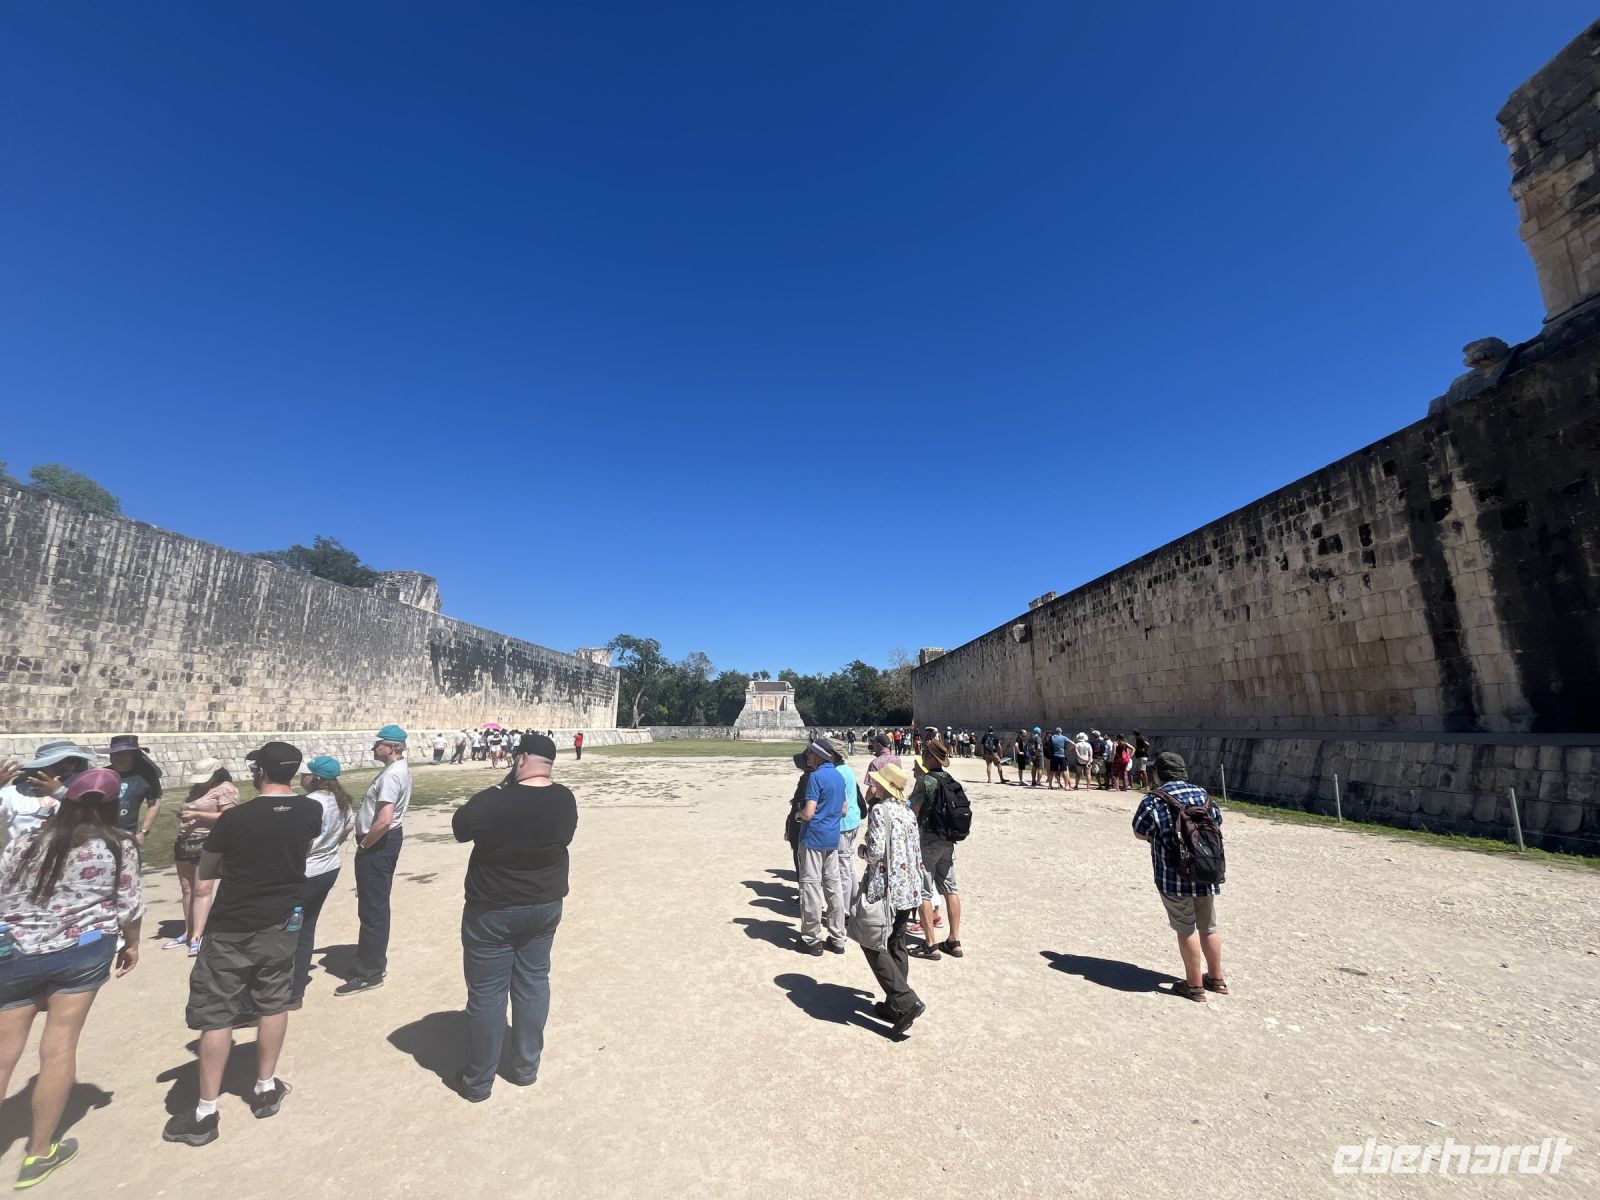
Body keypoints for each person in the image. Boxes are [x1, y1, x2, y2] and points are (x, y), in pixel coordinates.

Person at [162, 741, 321, 1147]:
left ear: (261, 772)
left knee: (218, 1013)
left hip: (233, 924)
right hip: (282, 921)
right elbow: (299, 850)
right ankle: (266, 1087)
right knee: (273, 1001)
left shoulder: (235, 819)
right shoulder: (310, 810)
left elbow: (209, 870)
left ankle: (205, 1112)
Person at [0, 767, 142, 1188]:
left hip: (17, 950)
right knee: (59, 1047)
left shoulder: (26, 840)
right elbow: (129, 904)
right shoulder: (119, 845)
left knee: (4, 1049)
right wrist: (132, 944)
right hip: (81, 950)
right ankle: (39, 1152)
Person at [450, 732, 578, 1101]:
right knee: (534, 982)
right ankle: (525, 1067)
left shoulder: (494, 800)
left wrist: (499, 787)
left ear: (520, 759)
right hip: (544, 904)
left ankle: (478, 1081)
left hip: (492, 907)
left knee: (488, 993)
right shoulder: (564, 799)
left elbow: (460, 828)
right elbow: (565, 838)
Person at [1131, 752, 1227, 1002]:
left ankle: (1194, 985)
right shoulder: (1203, 796)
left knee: (1186, 927)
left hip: (1173, 876)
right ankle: (1216, 979)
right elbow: (1217, 822)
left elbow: (1140, 832)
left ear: (1159, 773)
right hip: (1207, 870)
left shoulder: (1154, 800)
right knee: (1209, 926)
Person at [336, 725, 412, 996]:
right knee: (372, 905)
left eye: (378, 744)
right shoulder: (396, 770)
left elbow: (384, 819)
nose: (373, 748)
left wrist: (366, 845)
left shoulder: (392, 775)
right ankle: (369, 963)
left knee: (373, 908)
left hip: (378, 844)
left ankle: (371, 972)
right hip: (383, 842)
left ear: (390, 747)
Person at [857, 761, 926, 1037]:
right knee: (897, 943)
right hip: (908, 889)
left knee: (872, 943)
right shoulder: (907, 812)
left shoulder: (879, 810)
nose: (871, 786)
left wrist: (861, 851)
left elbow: (874, 852)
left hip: (886, 889)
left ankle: (906, 1001)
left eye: (875, 782)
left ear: (884, 787)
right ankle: (893, 1004)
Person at [291, 756, 354, 1007]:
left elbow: (298, 840)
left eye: (304, 776)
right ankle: (297, 986)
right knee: (306, 928)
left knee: (288, 929)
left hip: (305, 873)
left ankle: (285, 985)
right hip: (328, 868)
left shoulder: (310, 804)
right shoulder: (342, 801)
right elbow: (348, 828)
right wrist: (328, 847)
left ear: (313, 779)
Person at [165, 759, 238, 956]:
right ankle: (188, 932)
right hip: (185, 841)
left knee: (202, 889)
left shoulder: (225, 788)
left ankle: (198, 934)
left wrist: (197, 815)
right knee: (187, 888)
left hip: (209, 843)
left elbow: (229, 816)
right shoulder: (196, 788)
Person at [906, 741, 964, 961]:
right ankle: (954, 940)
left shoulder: (926, 782)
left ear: (930, 757)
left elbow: (913, 811)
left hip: (928, 840)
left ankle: (930, 943)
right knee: (951, 889)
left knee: (924, 891)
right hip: (948, 841)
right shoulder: (950, 780)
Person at [794, 739, 847, 955]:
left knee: (811, 886)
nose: (808, 757)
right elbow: (843, 810)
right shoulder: (839, 775)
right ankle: (838, 937)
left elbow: (809, 812)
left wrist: (798, 815)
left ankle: (812, 938)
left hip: (813, 838)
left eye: (810, 754)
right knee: (833, 886)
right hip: (832, 838)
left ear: (818, 756)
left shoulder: (816, 777)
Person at [0, 741, 95, 844]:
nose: (65, 765)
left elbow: (96, 814)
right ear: (41, 766)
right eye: (58, 762)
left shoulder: (85, 789)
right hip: (24, 854)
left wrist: (60, 792)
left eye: (71, 761)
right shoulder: (14, 794)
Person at [106, 735, 163, 849]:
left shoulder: (146, 777)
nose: (119, 758)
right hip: (99, 833)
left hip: (127, 836)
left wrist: (143, 832)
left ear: (133, 755)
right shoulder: (102, 774)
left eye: (124, 754)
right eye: (115, 754)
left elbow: (154, 804)